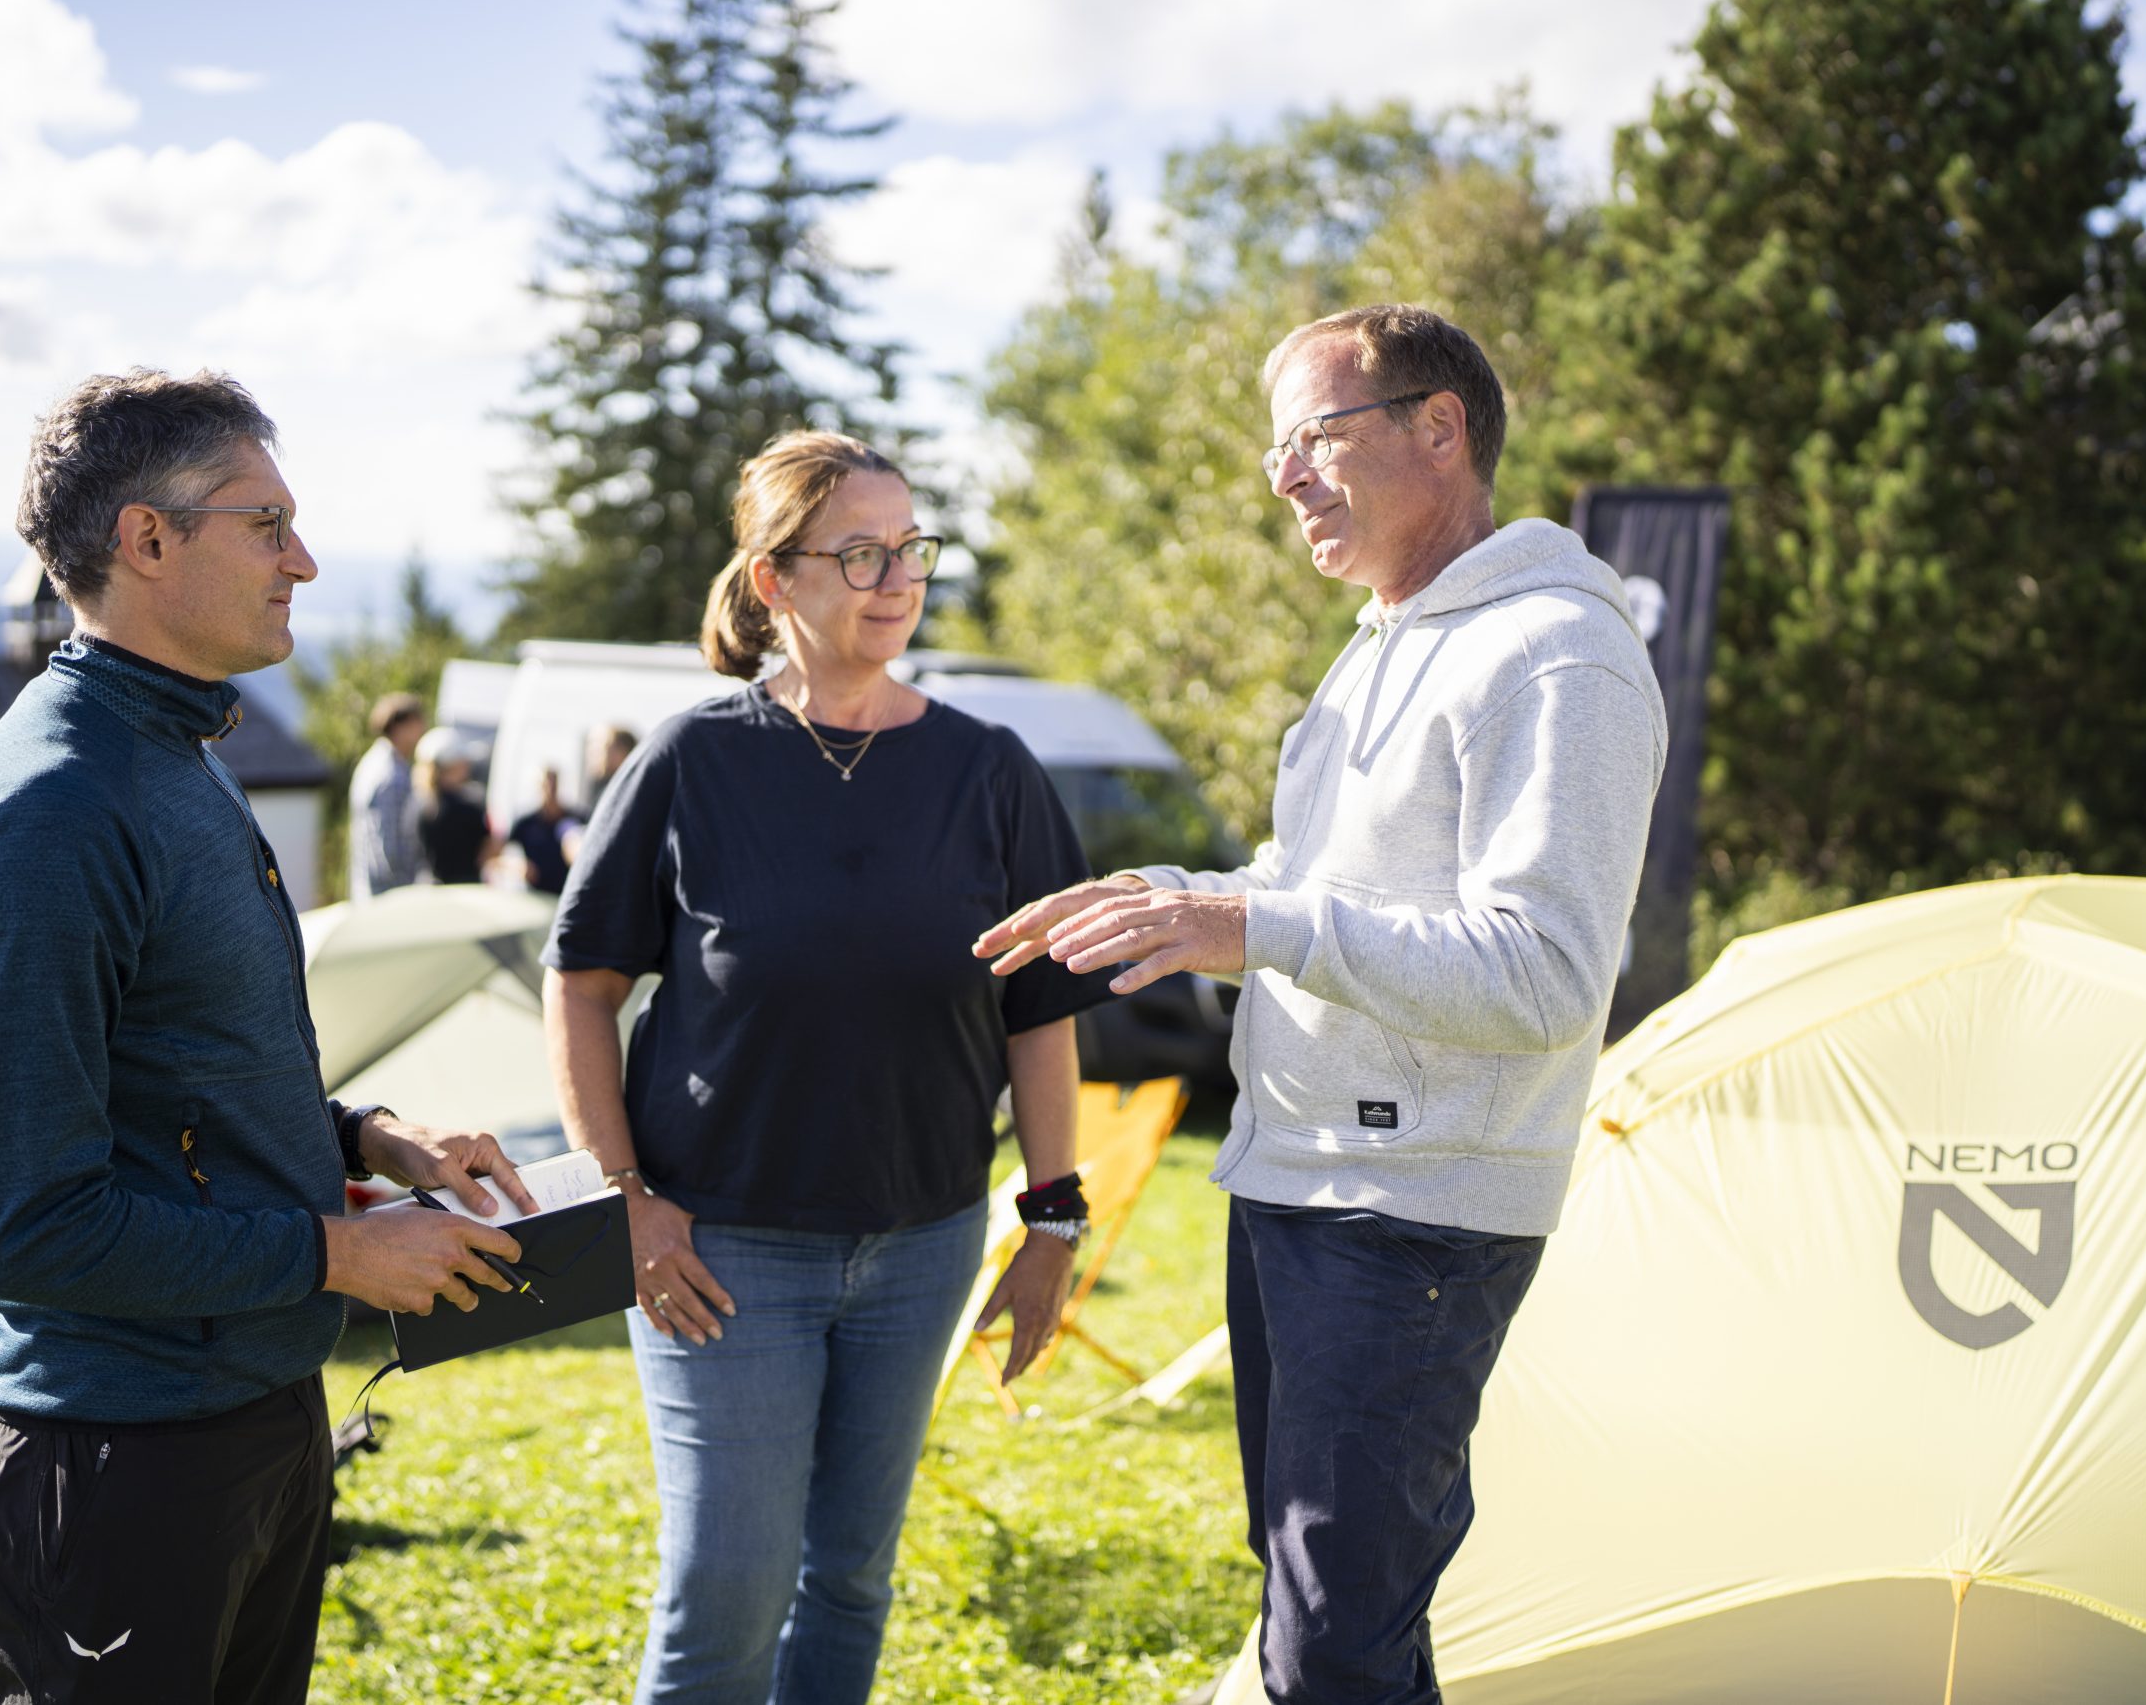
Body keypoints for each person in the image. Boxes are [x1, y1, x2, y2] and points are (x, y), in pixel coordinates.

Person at [977, 305, 1669, 1705]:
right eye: (1273, 448)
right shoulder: (1385, 641)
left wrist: (1250, 924)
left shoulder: (1556, 654)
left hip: (1411, 1218)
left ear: (1439, 427)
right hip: (1301, 1186)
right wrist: (1171, 894)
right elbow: (1308, 889)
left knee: (1331, 1644)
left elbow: (1543, 972)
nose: (1285, 473)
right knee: (1334, 1620)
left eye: (1315, 436)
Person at [0, 368, 540, 1705]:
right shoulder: (51, 810)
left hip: (256, 1415)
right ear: (148, 539)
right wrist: (343, 1251)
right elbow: (31, 1227)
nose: (301, 561)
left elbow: (180, 1074)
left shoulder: (176, 752)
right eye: (267, 524)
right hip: (123, 1456)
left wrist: (370, 1139)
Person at [543, 431, 1107, 1705]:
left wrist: (1052, 1221)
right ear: (772, 580)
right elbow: (578, 985)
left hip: (923, 1247)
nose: (896, 579)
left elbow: (1040, 1016)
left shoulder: (990, 770)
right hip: (718, 1250)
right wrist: (620, 1200)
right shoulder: (691, 762)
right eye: (859, 554)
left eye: (910, 548)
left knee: (849, 1578)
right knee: (725, 1594)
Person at [349, 691, 426, 899]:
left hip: (368, 890)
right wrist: (409, 890)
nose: (423, 729)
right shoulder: (391, 775)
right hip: (387, 895)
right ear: (400, 727)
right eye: (418, 722)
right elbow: (390, 848)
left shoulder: (372, 762)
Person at [414, 726, 496, 885]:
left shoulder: (418, 805)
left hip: (428, 888)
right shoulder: (469, 806)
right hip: (465, 888)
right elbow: (488, 850)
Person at [505, 764, 581, 896]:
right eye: (545, 785)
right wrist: (518, 865)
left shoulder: (574, 819)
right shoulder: (525, 822)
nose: (549, 791)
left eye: (553, 785)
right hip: (534, 895)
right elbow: (495, 856)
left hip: (564, 894)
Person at [584, 722, 638, 816]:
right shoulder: (597, 785)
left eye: (603, 747)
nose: (593, 753)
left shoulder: (631, 790)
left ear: (623, 752)